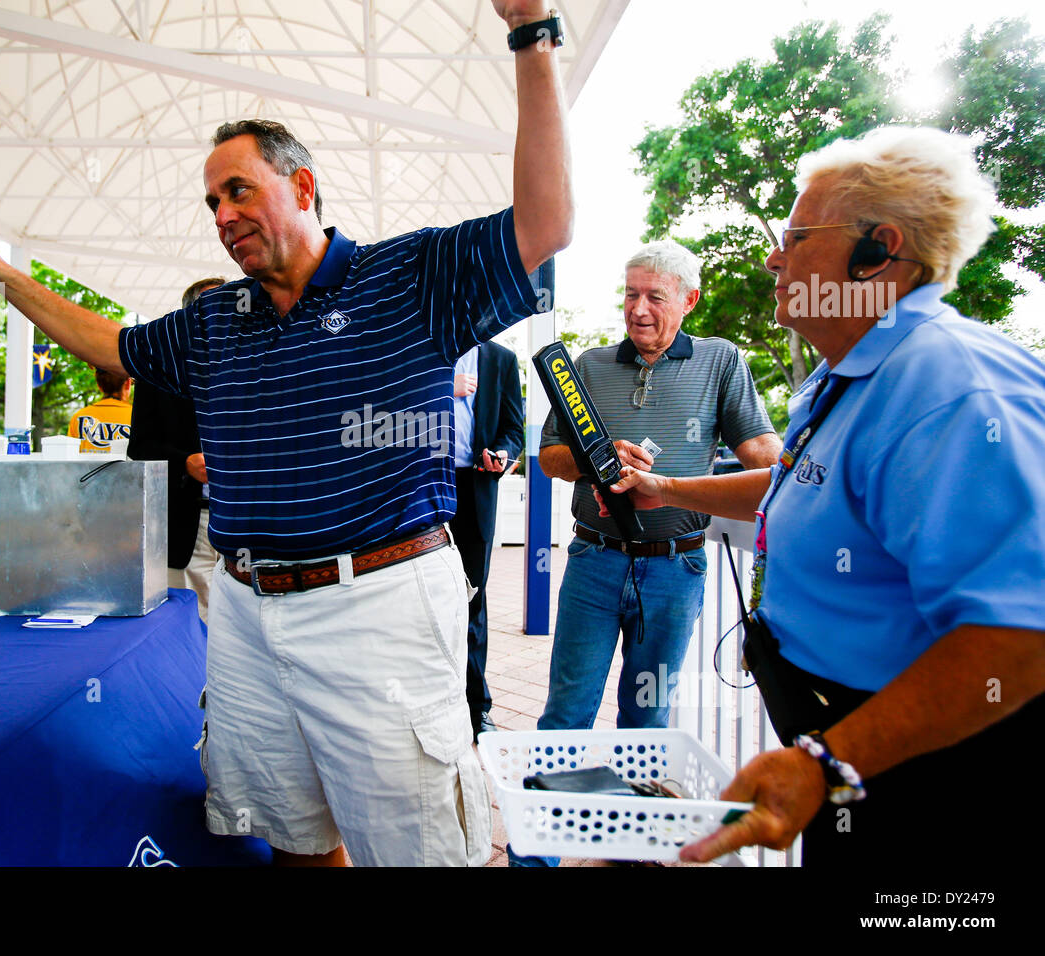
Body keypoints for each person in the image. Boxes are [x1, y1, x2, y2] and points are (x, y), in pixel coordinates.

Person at [0, 0, 573, 867]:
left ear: (301, 186)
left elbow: (546, 223)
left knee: (412, 851)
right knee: (291, 837)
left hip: (380, 609)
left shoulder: (411, 273)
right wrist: (0, 273)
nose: (221, 215)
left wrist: (531, 33)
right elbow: (105, 340)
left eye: (238, 190)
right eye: (211, 202)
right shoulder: (216, 319)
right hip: (250, 612)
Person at [606, 126, 1045, 867]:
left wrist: (827, 762)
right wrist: (667, 488)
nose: (775, 257)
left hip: (919, 767)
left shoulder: (951, 388)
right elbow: (792, 485)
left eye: (796, 235)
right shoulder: (852, 370)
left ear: (879, 250)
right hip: (854, 758)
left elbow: (1022, 638)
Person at [509, 240, 780, 866]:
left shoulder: (721, 361)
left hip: (676, 565)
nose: (638, 309)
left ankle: (628, 853)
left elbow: (760, 451)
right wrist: (598, 459)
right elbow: (548, 457)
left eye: (655, 297)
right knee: (565, 715)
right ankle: (534, 856)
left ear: (689, 299)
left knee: (646, 717)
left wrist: (805, 468)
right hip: (594, 560)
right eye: (630, 294)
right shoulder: (588, 365)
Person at [127, 276, 226, 620]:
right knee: (194, 616)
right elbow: (139, 448)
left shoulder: (253, 367)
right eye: (214, 307)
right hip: (189, 519)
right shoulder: (156, 372)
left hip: (247, 520)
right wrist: (185, 462)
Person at [447, 340, 524, 741]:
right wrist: (446, 386)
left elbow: (514, 428)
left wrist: (503, 454)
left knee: (473, 598)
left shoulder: (502, 360)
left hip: (476, 488)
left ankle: (477, 708)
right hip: (425, 492)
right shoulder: (425, 345)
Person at [66, 368, 132, 452]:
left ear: (99, 385)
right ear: (128, 383)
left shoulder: (78, 417)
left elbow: (70, 454)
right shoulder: (137, 416)